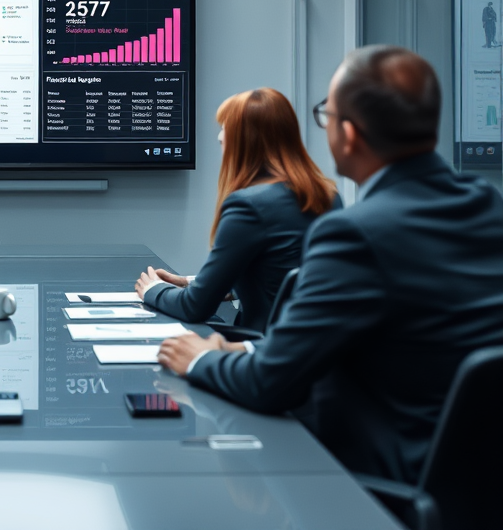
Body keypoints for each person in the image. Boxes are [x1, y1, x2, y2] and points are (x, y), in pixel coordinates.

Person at [158, 46, 503, 484]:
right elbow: (409, 337)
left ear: (349, 135)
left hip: (378, 481)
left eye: (327, 114)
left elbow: (270, 386)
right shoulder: (486, 203)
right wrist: (246, 348)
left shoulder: (355, 234)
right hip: (477, 478)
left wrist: (198, 359)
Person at [135, 88, 339, 333]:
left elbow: (195, 308)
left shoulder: (248, 206)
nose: (220, 138)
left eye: (225, 130)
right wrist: (192, 282)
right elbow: (280, 276)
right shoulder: (329, 195)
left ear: (243, 142)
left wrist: (153, 290)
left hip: (261, 350)